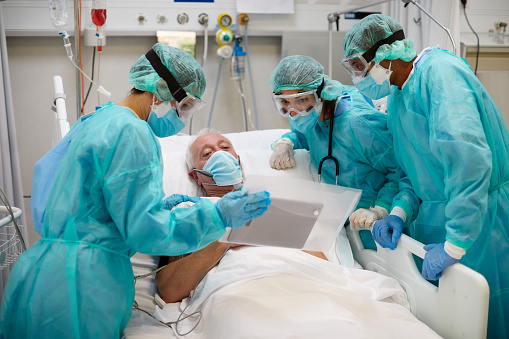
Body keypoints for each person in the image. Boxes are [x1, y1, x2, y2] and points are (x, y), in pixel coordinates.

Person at [0, 43, 270, 338]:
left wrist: (156, 209)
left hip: (44, 271)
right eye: (186, 106)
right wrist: (219, 214)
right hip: (82, 287)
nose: (183, 117)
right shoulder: (133, 132)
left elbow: (77, 200)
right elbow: (146, 232)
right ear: (159, 90)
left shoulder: (97, 120)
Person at [341, 13, 509, 338]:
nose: (356, 78)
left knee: (491, 320)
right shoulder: (399, 97)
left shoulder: (441, 76)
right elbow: (409, 173)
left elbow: (469, 162)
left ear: (386, 53)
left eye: (359, 66)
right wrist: (398, 213)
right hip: (437, 222)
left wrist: (456, 243)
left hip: (483, 224)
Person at [155, 131, 328, 303]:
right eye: (207, 154)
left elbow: (325, 266)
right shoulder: (189, 210)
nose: (219, 154)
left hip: (304, 283)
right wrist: (228, 237)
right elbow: (169, 290)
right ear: (196, 176)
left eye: (225, 148)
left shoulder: (274, 203)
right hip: (241, 293)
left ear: (239, 163)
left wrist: (270, 228)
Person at [268, 55, 419, 249]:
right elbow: (304, 133)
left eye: (301, 99)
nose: (294, 111)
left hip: (379, 227)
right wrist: (286, 142)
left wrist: (380, 210)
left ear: (322, 93)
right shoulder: (311, 115)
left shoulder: (360, 125)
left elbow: (403, 171)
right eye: (285, 103)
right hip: (343, 226)